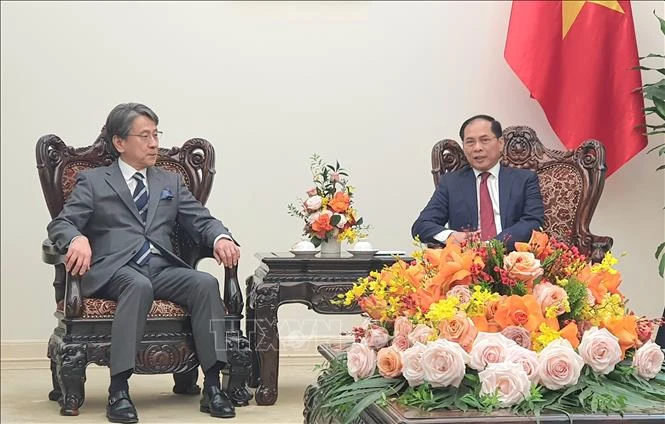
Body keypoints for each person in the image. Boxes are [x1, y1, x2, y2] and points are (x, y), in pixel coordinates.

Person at [47, 103, 239, 422]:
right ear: (120, 142)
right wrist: (76, 239)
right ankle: (119, 390)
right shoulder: (93, 181)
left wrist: (220, 237)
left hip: (162, 268)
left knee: (206, 283)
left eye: (156, 134)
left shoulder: (169, 182)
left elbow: (201, 220)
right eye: (145, 136)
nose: (154, 143)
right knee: (138, 285)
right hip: (114, 271)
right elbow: (61, 224)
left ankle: (214, 386)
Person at [411, 114, 544, 250]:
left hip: (512, 259)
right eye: (470, 142)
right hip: (467, 262)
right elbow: (421, 225)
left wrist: (495, 244)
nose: (477, 148)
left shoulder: (524, 179)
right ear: (463, 146)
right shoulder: (451, 183)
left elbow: (533, 222)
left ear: (500, 143)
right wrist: (451, 236)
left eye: (484, 140)